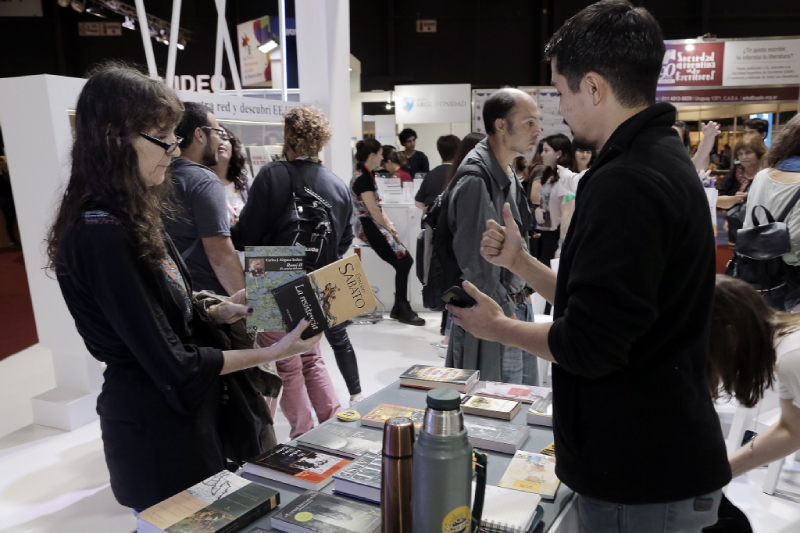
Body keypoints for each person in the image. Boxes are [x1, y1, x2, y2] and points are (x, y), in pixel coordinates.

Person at [448, 2, 731, 531]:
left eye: (561, 92)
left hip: (641, 476)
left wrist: (498, 328)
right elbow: (604, 300)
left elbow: (589, 342)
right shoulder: (655, 158)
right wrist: (520, 262)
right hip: (651, 459)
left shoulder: (629, 180)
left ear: (595, 87)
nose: (560, 111)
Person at [47, 64, 321, 512]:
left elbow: (161, 310)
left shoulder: (128, 217)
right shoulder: (103, 234)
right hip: (157, 434)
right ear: (115, 139)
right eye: (163, 137)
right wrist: (275, 351)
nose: (173, 150)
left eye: (175, 136)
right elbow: (177, 365)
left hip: (185, 422)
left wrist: (219, 310)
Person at [232, 106, 362, 436]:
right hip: (321, 279)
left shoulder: (273, 174)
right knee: (312, 359)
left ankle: (302, 437)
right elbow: (345, 239)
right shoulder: (337, 184)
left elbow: (246, 235)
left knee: (286, 366)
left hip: (272, 271)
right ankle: (333, 430)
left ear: (288, 137)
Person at [445, 88, 538, 386]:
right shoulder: (476, 179)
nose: (538, 130)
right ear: (501, 125)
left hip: (512, 308)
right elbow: (478, 268)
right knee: (494, 405)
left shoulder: (505, 172)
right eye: (529, 122)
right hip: (494, 315)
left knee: (517, 401)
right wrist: (503, 318)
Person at [165, 102, 244, 297]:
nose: (219, 141)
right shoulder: (203, 180)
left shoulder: (159, 174)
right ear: (200, 134)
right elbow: (220, 255)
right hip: (208, 299)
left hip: (172, 293)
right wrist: (252, 309)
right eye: (217, 132)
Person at [351, 138, 425, 326]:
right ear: (373, 155)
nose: (383, 158)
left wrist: (389, 225)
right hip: (369, 226)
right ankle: (402, 308)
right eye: (381, 154)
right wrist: (389, 228)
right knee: (405, 261)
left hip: (371, 225)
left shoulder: (366, 174)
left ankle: (400, 307)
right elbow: (373, 210)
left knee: (403, 262)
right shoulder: (363, 177)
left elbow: (377, 206)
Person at [742, 114, 800, 311]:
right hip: (793, 280)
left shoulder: (762, 175)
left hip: (759, 273)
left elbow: (749, 225)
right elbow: (795, 245)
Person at [532, 133, 576, 265]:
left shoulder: (564, 178)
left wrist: (562, 245)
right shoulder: (549, 176)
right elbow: (546, 203)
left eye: (546, 150)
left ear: (559, 153)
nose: (542, 154)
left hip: (556, 237)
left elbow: (567, 213)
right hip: (544, 235)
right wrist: (538, 210)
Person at [718, 134, 767, 244]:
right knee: (738, 257)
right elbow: (718, 200)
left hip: (763, 227)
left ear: (759, 153)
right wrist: (735, 199)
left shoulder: (769, 173)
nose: (744, 157)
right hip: (736, 225)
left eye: (748, 152)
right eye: (740, 153)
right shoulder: (735, 171)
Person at [209, 125, 249, 227]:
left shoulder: (243, 187)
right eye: (216, 138)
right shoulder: (201, 185)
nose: (221, 142)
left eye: (225, 138)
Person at [415, 134, 460, 209]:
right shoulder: (461, 173)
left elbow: (419, 203)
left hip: (435, 219)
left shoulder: (430, 175)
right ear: (458, 151)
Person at [0, 155, 19, 247]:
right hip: (4, 200)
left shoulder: (6, 173)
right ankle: (12, 240)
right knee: (10, 220)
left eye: (3, 163)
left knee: (15, 219)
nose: (2, 165)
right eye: (0, 164)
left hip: (11, 198)